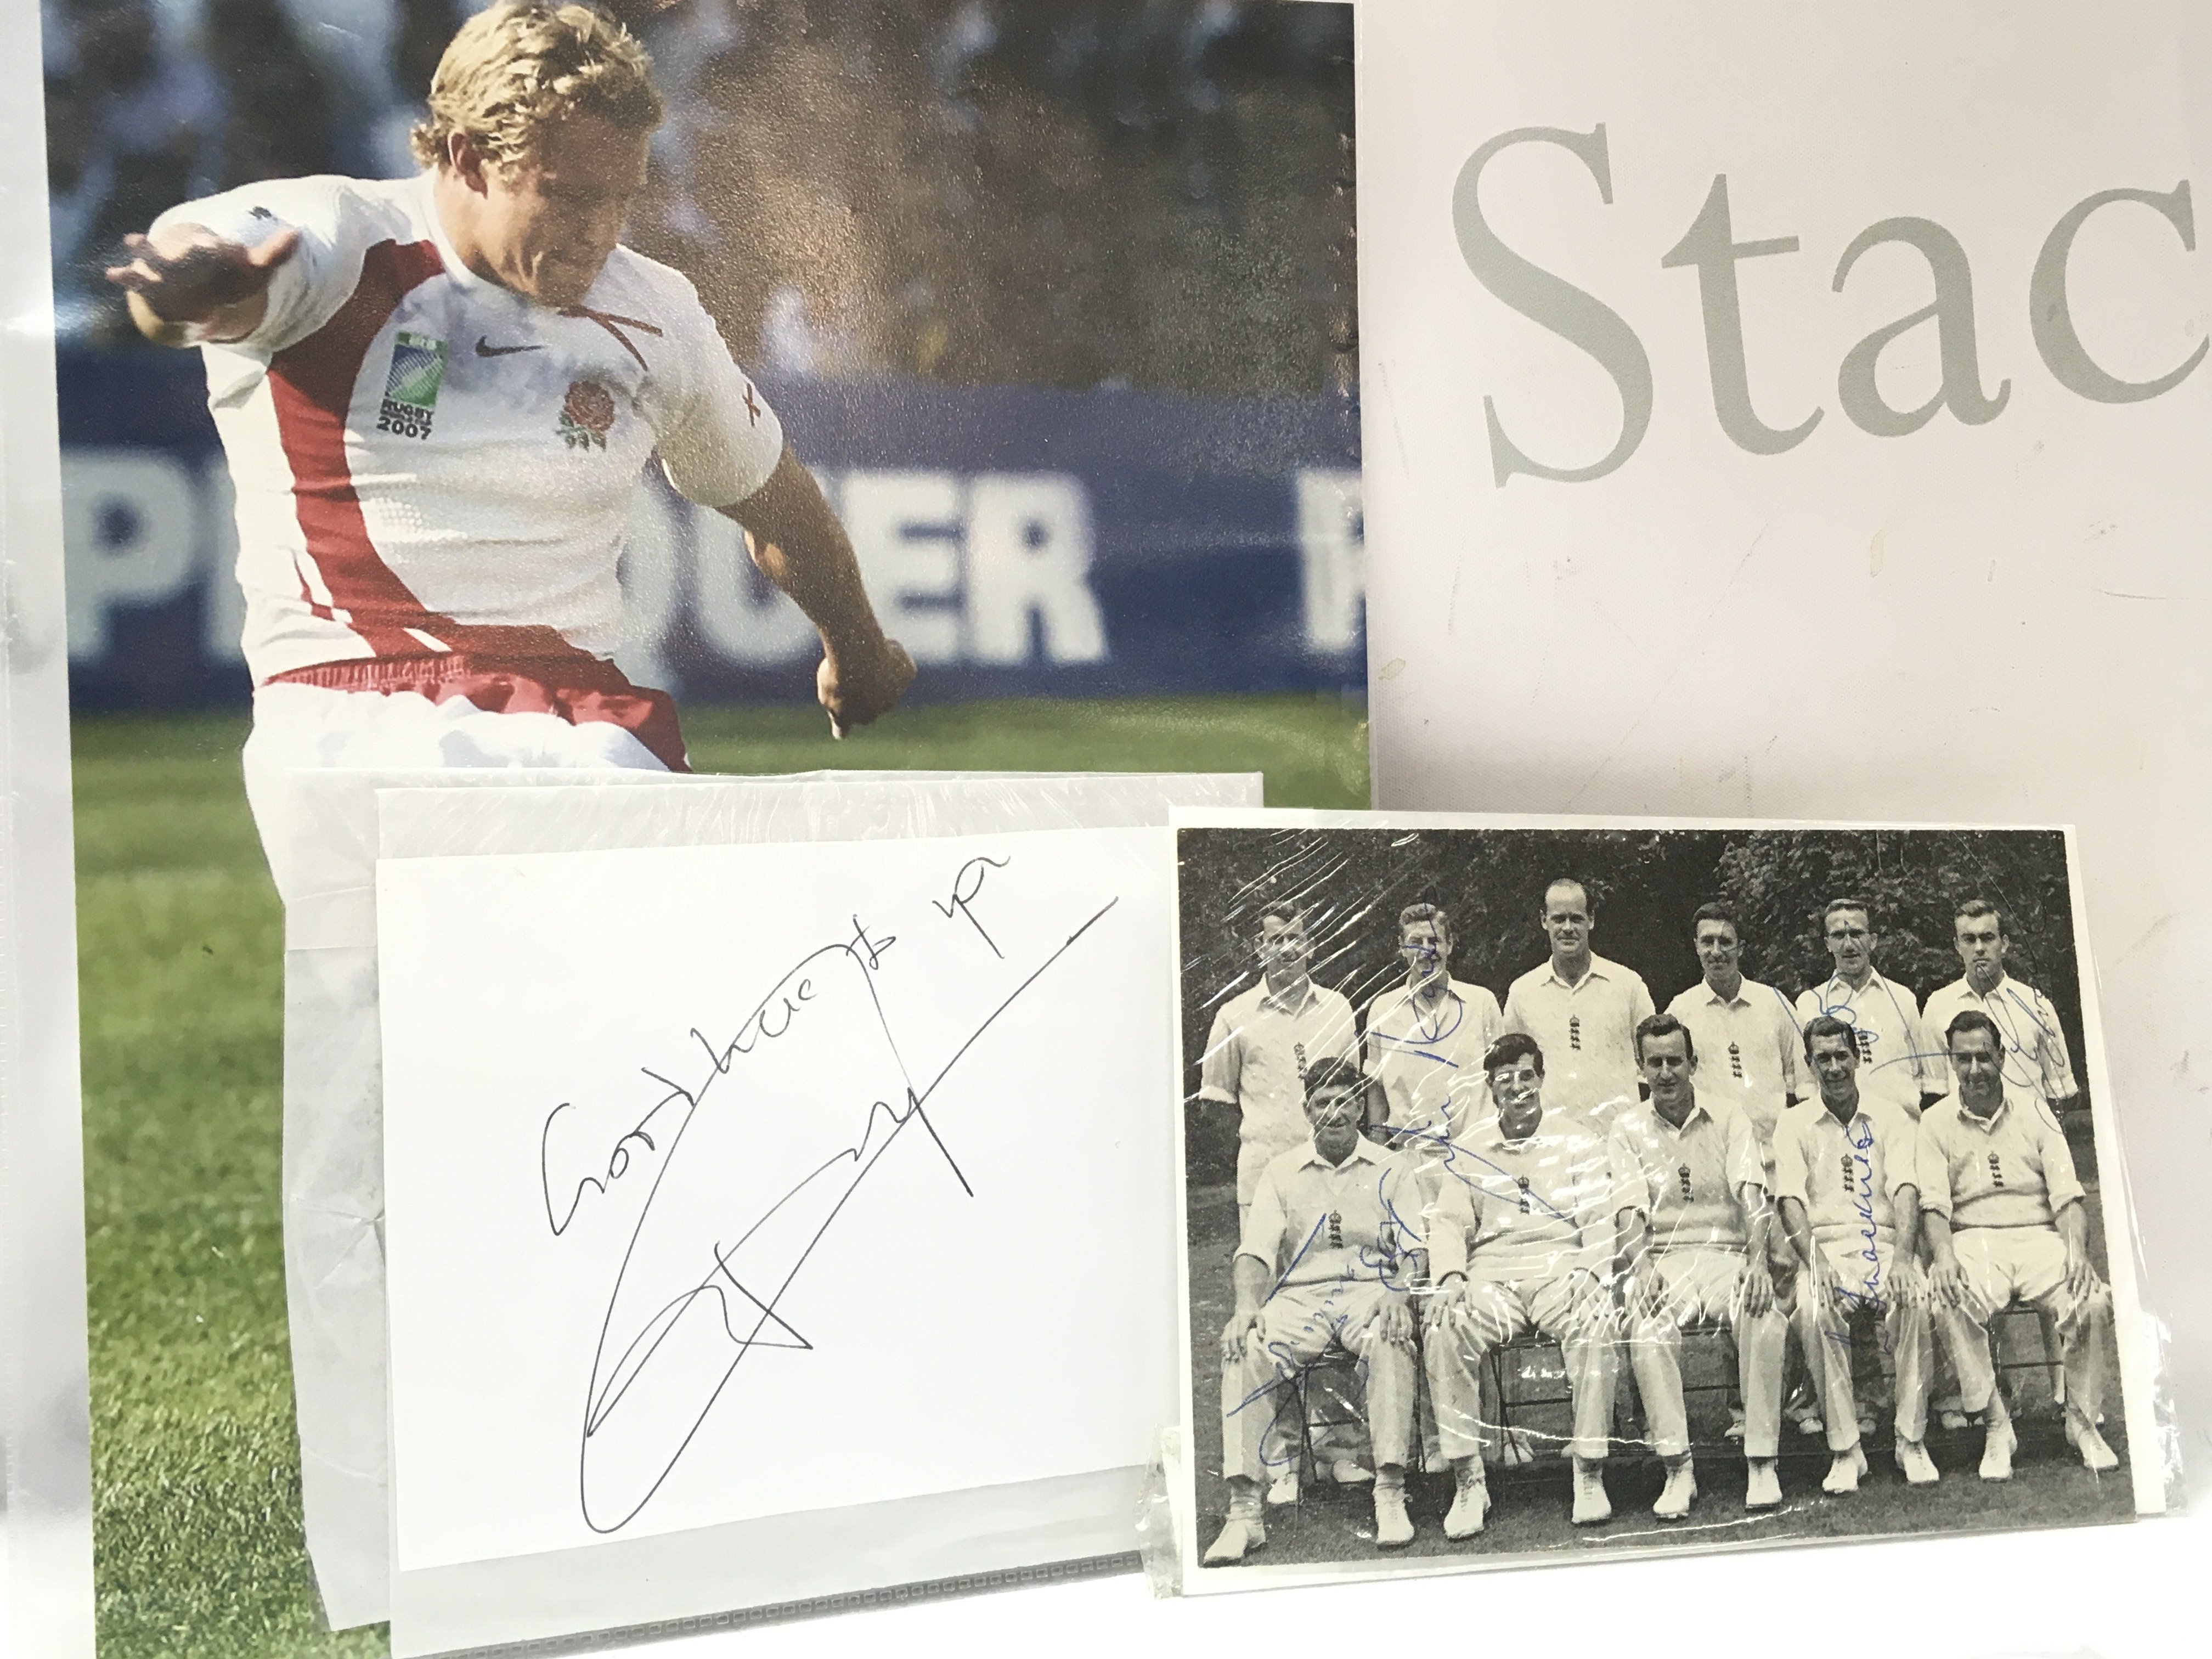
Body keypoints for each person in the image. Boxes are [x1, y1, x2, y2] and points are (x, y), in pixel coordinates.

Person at [104, 0, 916, 905]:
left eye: (622, 196)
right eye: (566, 195)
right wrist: (181, 291)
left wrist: (858, 646)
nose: (600, 228)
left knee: (653, 1009)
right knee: (460, 1019)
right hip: (359, 711)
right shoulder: (341, 237)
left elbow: (774, 503)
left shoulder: (657, 309)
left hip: (586, 721)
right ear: (464, 156)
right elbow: (196, 263)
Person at [1204, 1059, 1448, 1563]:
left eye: (1344, 1101)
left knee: (1393, 1334)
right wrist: (1246, 1307)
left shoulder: (1392, 1166)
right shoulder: (1280, 1170)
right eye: (1322, 1103)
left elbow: (1414, 1249)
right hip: (1301, 1297)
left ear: (1359, 1106)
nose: (1334, 1113)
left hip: (1370, 1293)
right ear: (1306, 1110)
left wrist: (1399, 1296)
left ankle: (1390, 1491)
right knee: (1245, 1346)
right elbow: (1254, 1251)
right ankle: (1245, 1512)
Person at [1423, 1033, 1624, 1533]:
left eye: (1527, 1077)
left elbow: (1600, 1216)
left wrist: (1593, 1272)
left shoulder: (1577, 1139)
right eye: (1505, 1080)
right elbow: (1448, 1222)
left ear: (1542, 1078)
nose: (1518, 1088)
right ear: (1491, 1088)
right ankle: (1469, 1479)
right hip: (1492, 1278)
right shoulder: (1469, 1147)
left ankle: (1589, 1471)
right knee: (1444, 1326)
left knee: (1596, 1317)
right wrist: (1449, 1276)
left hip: (1562, 1271)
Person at [1197, 898, 1363, 1497]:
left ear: (1312, 944)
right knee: (1267, 1321)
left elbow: (1345, 1092)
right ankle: (1280, 1460)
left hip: (1329, 1179)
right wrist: (1259, 1164)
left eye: (1297, 937)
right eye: (1275, 939)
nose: (1287, 948)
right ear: (1259, 948)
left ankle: (1339, 1447)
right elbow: (1216, 1106)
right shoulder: (1234, 1015)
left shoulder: (1340, 1008)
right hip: (1265, 1186)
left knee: (1331, 1298)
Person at [1921, 1011, 2118, 1479]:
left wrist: (2077, 1253)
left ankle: (2082, 1421)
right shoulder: (1934, 1122)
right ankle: (1996, 1424)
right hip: (1974, 1241)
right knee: (1946, 1297)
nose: (1974, 1070)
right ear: (1951, 1062)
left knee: (2090, 1298)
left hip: (2038, 1237)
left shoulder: (2035, 1111)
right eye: (1963, 1059)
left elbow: (2068, 1198)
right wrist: (1944, 1256)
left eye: (1984, 1057)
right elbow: (1934, 1207)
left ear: (2002, 1057)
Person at [1610, 1015, 1788, 1516]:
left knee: (1765, 1316)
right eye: (1655, 1063)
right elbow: (1627, 1209)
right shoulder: (1626, 1129)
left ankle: (1762, 1461)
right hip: (1664, 1260)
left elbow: (1752, 1193)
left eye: (1675, 1061)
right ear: (1640, 1068)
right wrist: (1642, 1269)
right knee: (1645, 1327)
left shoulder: (1730, 1116)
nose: (1666, 1073)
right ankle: (1678, 1468)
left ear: (1694, 1063)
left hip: (1726, 1254)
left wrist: (1757, 1263)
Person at [1362, 901, 1502, 1475]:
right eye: (1414, 942)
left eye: (1434, 942)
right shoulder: (1380, 1010)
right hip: (1407, 1168)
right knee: (1416, 1297)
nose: (1425, 952)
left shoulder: (1483, 1005)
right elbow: (1374, 1101)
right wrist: (1379, 1165)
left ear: (1450, 946)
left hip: (1469, 1164)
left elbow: (1499, 1081)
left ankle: (1491, 1434)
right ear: (1401, 949)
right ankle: (1435, 1439)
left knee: (1476, 1292)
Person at [1772, 1015, 1938, 1493]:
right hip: (1824, 1247)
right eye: (1822, 1058)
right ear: (1808, 1064)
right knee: (1814, 1307)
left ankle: (1911, 1440)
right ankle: (1846, 1450)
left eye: (1842, 1055)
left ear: (1858, 1057)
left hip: (1885, 1244)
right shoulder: (1793, 1123)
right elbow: (1790, 1200)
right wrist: (1817, 1262)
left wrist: (1905, 1261)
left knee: (1916, 1300)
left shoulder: (1892, 1117)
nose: (1834, 1067)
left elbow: (1906, 1188)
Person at [1500, 878, 1656, 1132]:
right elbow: (1511, 1073)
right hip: (1551, 1144)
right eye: (1559, 919)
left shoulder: (1628, 985)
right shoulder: (1522, 992)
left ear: (1591, 920)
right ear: (1544, 921)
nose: (1568, 928)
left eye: (1577, 918)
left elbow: (1654, 1063)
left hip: (1618, 1142)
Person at [1921, 900, 2081, 1111]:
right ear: (1957, 946)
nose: (1979, 948)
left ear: (2004, 944)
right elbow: (1936, 1092)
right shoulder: (1938, 1006)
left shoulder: (2036, 1005)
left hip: (2026, 1137)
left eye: (1987, 938)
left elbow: (2059, 1092)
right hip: (1965, 1139)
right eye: (1969, 940)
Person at [1792, 898, 1940, 1122]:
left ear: (1872, 941)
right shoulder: (1809, 1004)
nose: (1849, 945)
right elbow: (1806, 1087)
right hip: (1840, 1137)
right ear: (1827, 944)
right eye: (1839, 936)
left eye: (1857, 934)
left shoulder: (1902, 999)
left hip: (1901, 1134)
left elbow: (1923, 1078)